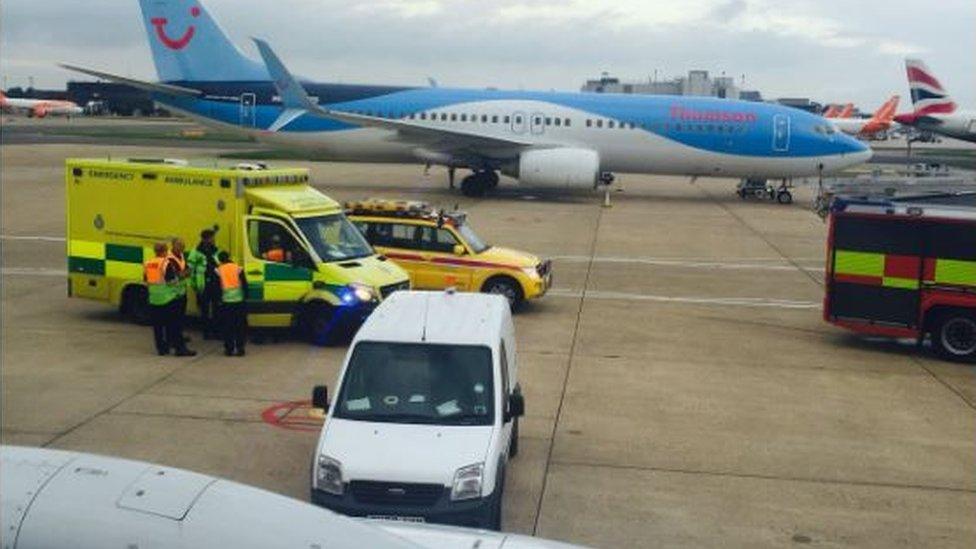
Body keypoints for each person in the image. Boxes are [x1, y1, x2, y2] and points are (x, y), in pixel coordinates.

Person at [187, 229, 221, 339]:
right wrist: (194, 285)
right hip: (203, 285)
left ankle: (216, 331)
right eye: (212, 238)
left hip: (215, 284)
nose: (214, 240)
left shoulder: (215, 250)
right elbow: (190, 270)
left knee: (217, 309)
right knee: (204, 310)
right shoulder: (196, 252)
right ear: (206, 239)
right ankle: (206, 333)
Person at [167, 237, 196, 357]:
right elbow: (172, 278)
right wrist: (185, 274)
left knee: (178, 320)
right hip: (173, 294)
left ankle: (174, 341)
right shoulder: (169, 260)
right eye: (180, 246)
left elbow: (184, 269)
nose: (182, 248)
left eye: (183, 246)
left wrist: (186, 272)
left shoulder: (181, 256)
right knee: (175, 321)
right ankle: (179, 348)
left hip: (181, 292)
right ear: (173, 246)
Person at [144, 242, 175, 355]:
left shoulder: (148, 263)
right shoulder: (165, 263)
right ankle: (167, 345)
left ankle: (160, 349)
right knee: (168, 324)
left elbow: (146, 279)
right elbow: (171, 281)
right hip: (166, 298)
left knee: (157, 326)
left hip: (153, 297)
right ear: (164, 251)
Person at [217, 251, 248, 356]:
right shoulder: (238, 268)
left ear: (220, 260)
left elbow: (216, 288)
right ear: (229, 257)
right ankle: (240, 348)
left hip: (226, 302)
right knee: (239, 326)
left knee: (227, 327)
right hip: (238, 301)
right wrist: (245, 298)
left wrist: (218, 300)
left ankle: (229, 349)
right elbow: (245, 285)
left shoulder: (218, 270)